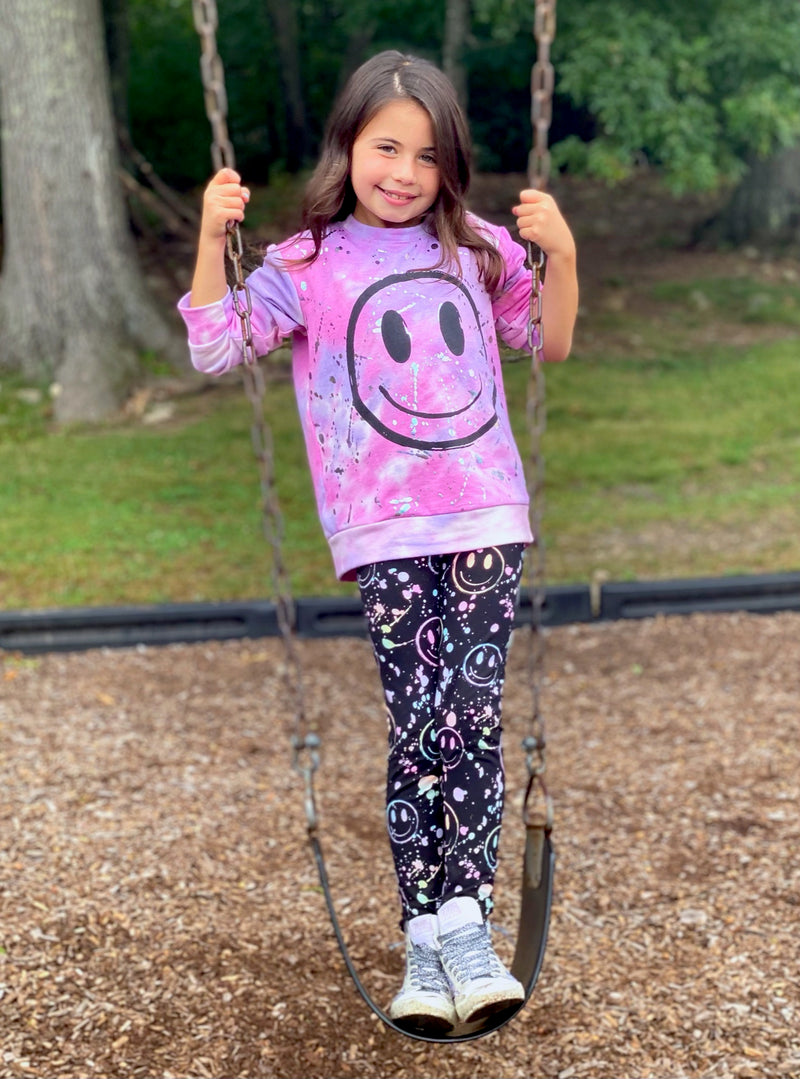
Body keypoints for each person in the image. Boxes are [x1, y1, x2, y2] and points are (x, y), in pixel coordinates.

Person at [179, 49, 578, 1035]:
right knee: (419, 724)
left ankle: (465, 929)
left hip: (484, 514)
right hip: (381, 527)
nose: (402, 172)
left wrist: (558, 253)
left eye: (425, 156)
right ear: (347, 147)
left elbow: (549, 343)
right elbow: (215, 345)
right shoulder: (307, 264)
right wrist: (209, 236)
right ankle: (421, 937)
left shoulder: (479, 249)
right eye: (383, 148)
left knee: (470, 720)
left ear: (451, 169)